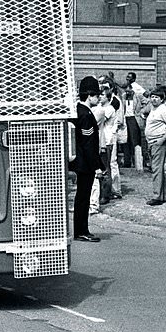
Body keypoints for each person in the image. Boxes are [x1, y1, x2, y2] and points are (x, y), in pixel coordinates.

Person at [68, 76, 104, 242]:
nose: (98, 98)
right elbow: (89, 144)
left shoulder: (77, 111)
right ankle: (81, 230)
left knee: (81, 197)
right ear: (89, 95)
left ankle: (81, 229)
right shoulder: (86, 115)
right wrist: (97, 166)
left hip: (80, 162)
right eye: (97, 95)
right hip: (85, 164)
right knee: (83, 197)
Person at [143, 86, 166, 206]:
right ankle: (162, 195)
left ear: (162, 99)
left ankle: (157, 196)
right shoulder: (154, 109)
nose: (154, 99)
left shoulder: (163, 110)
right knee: (158, 168)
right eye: (152, 97)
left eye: (157, 97)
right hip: (152, 141)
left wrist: (162, 139)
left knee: (156, 169)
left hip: (158, 141)